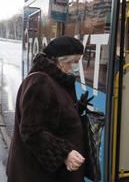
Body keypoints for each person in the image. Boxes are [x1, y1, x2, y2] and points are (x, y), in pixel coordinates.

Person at [6, 36, 87, 182]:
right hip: (38, 174)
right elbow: (32, 131)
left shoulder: (55, 78)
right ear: (61, 61)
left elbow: (52, 112)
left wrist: (75, 108)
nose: (77, 67)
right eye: (75, 62)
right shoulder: (40, 83)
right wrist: (63, 154)